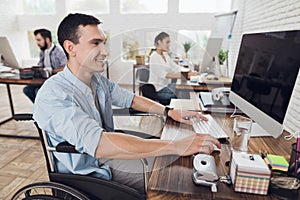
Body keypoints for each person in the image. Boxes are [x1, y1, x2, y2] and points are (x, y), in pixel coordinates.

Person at [33, 13, 220, 192]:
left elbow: (130, 99)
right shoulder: (53, 95)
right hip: (91, 169)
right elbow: (99, 144)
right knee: (174, 176)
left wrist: (168, 112)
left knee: (178, 161)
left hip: (107, 155)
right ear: (70, 47)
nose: (105, 52)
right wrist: (175, 145)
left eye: (103, 43)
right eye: (95, 43)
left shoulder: (97, 81)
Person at [149, 32, 196, 104]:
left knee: (184, 89)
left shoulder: (165, 55)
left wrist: (188, 71)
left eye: (169, 42)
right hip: (158, 90)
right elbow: (164, 75)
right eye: (167, 42)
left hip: (167, 86)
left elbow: (175, 67)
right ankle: (184, 112)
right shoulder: (154, 57)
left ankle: (187, 111)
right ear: (159, 42)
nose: (169, 45)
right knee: (181, 92)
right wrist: (183, 75)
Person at [23, 28, 67, 102]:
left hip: (56, 80)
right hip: (44, 80)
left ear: (47, 40)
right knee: (27, 90)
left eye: (39, 40)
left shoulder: (59, 51)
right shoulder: (42, 52)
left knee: (39, 92)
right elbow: (41, 65)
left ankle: (45, 108)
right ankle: (40, 108)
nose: (37, 43)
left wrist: (52, 71)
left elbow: (66, 67)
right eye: (36, 40)